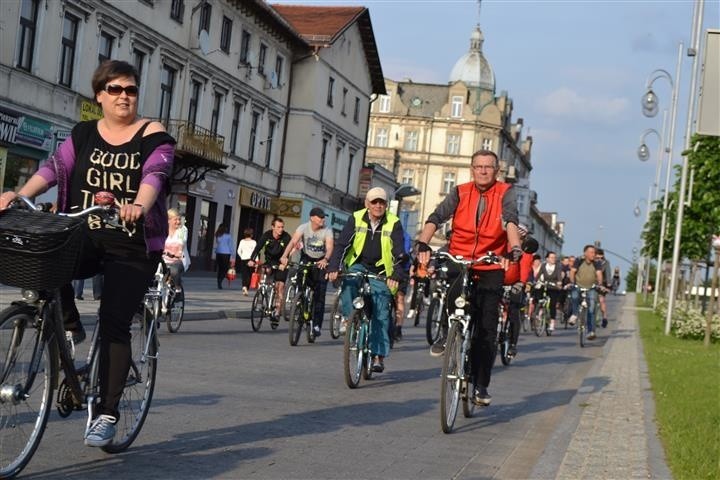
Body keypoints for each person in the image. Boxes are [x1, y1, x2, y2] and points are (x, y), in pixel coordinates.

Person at [0, 59, 175, 447]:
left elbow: (155, 173)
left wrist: (140, 205)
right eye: (115, 90)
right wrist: (18, 195)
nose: (124, 97)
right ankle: (69, 324)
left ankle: (107, 413)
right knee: (45, 262)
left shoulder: (152, 132)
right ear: (99, 96)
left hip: (132, 244)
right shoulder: (83, 133)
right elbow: (54, 169)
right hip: (85, 233)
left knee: (114, 321)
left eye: (130, 89)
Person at [416, 149, 522, 407]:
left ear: (496, 171)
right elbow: (437, 216)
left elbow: (510, 220)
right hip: (460, 257)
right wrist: (422, 244)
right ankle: (447, 332)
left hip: (490, 263)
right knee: (452, 296)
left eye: (488, 167)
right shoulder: (460, 191)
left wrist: (513, 248)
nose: (483, 171)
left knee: (487, 330)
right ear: (472, 169)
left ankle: (481, 385)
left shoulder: (504, 192)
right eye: (478, 166)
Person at [328, 187, 407, 373]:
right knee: (349, 284)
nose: (378, 206)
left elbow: (399, 252)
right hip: (358, 264)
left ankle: (378, 355)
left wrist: (395, 274)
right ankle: (349, 319)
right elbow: (342, 244)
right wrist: (334, 267)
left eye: (382, 202)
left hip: (381, 270)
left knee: (381, 311)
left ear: (386, 205)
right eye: (374, 202)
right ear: (367, 204)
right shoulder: (356, 218)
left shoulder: (393, 222)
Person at [280, 207, 334, 336]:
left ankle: (316, 325)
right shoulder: (303, 227)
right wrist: (284, 256)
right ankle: (300, 303)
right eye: (320, 217)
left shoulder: (327, 230)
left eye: (323, 217)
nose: (322, 219)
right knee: (301, 285)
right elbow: (293, 242)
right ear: (312, 218)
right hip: (307, 258)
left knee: (319, 295)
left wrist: (326, 259)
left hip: (321, 261)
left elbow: (330, 247)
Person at [248, 217, 292, 320]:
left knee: (279, 287)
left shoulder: (286, 237)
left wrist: (284, 263)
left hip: (282, 263)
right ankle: (262, 292)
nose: (281, 229)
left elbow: (288, 252)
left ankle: (277, 312)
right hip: (270, 262)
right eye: (278, 227)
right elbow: (258, 248)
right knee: (264, 271)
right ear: (273, 227)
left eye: (282, 227)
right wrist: (252, 260)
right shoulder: (267, 235)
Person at [503, 224, 534, 358]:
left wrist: (521, 283)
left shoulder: (525, 250)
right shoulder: (503, 243)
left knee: (514, 313)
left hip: (515, 283)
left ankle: (513, 344)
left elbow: (525, 266)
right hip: (496, 280)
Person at [568, 244, 604, 339]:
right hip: (578, 285)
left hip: (591, 287)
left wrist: (599, 284)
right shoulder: (579, 260)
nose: (593, 254)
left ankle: (591, 331)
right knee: (574, 296)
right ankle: (575, 314)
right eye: (591, 252)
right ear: (585, 253)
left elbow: (599, 274)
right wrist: (572, 282)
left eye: (594, 252)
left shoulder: (597, 263)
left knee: (591, 308)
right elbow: (572, 272)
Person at [532, 251, 564, 332]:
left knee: (552, 305)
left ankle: (552, 322)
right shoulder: (543, 266)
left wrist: (559, 283)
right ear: (547, 259)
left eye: (554, 257)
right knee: (539, 293)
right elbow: (538, 275)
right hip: (545, 285)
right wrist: (535, 281)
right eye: (552, 257)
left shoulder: (557, 266)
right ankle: (540, 310)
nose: (553, 259)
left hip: (553, 287)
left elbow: (559, 276)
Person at [163, 208, 190, 290]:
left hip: (179, 259)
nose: (178, 222)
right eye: (176, 219)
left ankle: (177, 287)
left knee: (174, 270)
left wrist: (179, 251)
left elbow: (182, 241)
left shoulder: (182, 229)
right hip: (164, 259)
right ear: (168, 220)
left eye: (179, 219)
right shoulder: (163, 230)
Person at [236, 228, 256, 296]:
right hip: (251, 260)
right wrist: (256, 260)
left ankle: (244, 287)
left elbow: (238, 251)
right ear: (251, 235)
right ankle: (246, 287)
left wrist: (242, 257)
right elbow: (255, 252)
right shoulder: (254, 242)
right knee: (250, 274)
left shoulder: (242, 241)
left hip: (243, 259)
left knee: (244, 274)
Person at [595, 248, 612, 328]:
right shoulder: (592, 262)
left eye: (601, 258)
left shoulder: (606, 263)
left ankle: (604, 318)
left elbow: (608, 273)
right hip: (592, 283)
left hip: (603, 284)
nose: (599, 260)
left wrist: (608, 285)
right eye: (597, 258)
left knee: (601, 300)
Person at [214, 223, 233, 290]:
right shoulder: (228, 236)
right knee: (225, 269)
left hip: (219, 253)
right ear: (226, 229)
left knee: (220, 268)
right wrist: (233, 255)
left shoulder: (218, 235)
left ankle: (219, 281)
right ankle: (220, 280)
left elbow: (217, 244)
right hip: (226, 253)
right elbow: (230, 246)